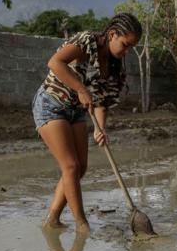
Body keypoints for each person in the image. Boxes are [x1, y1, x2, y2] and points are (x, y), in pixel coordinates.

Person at [32, 13, 142, 233]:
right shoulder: (86, 42)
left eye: (131, 47)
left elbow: (101, 102)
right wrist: (81, 89)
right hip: (51, 103)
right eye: (125, 44)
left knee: (80, 169)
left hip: (76, 111)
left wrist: (100, 129)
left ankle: (52, 219)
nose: (126, 51)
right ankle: (82, 225)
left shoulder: (115, 67)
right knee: (70, 166)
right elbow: (55, 62)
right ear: (112, 34)